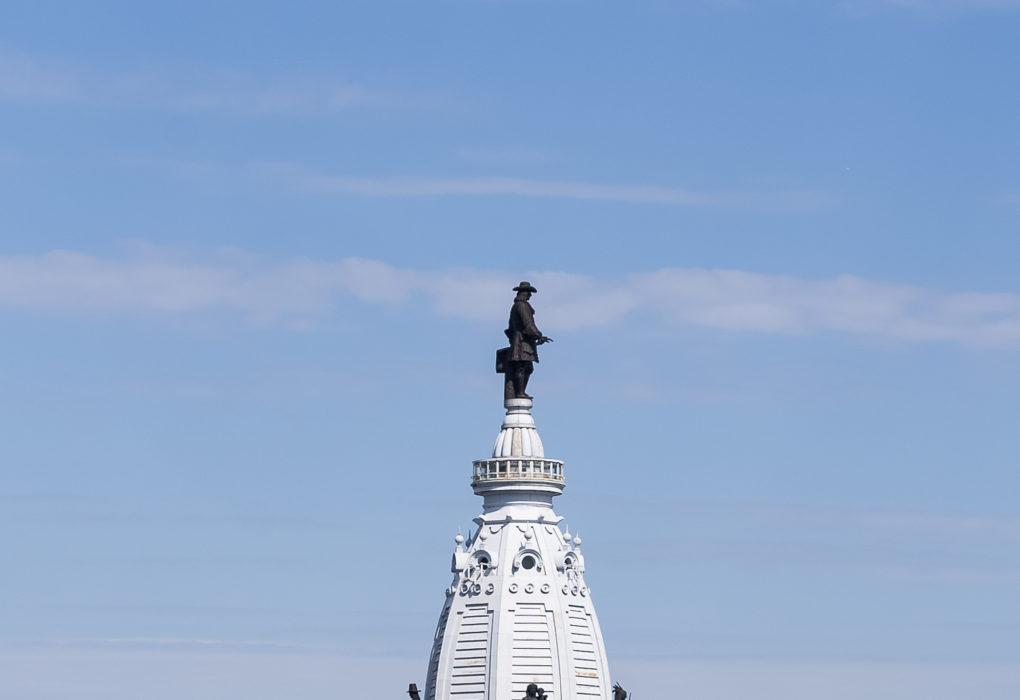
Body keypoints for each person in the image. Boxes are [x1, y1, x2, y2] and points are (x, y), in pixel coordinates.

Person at [502, 281, 552, 400]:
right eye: (529, 293)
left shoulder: (515, 306)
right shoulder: (522, 306)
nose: (530, 296)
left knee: (526, 367)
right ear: (524, 293)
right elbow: (528, 325)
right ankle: (520, 392)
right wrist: (539, 336)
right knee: (523, 367)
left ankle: (520, 391)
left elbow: (510, 328)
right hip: (522, 343)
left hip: (519, 341)